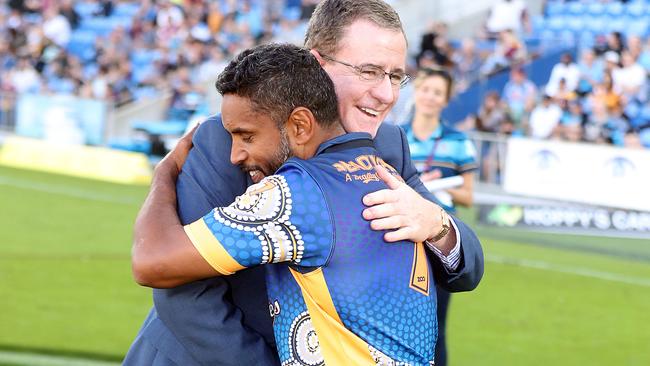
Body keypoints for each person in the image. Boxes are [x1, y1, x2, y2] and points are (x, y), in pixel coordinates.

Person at [123, 1, 484, 365]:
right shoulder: (230, 139)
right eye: (370, 71)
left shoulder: (388, 146)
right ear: (317, 64)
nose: (387, 94)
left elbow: (467, 268)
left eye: (395, 76)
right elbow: (184, 292)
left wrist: (438, 226)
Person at [401, 67, 478, 366]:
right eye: (426, 90)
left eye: (437, 93)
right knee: (398, 320)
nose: (430, 97)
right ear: (416, 92)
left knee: (435, 328)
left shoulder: (458, 141)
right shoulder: (396, 135)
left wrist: (434, 187)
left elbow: (469, 196)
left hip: (440, 241)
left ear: (445, 100)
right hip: (402, 240)